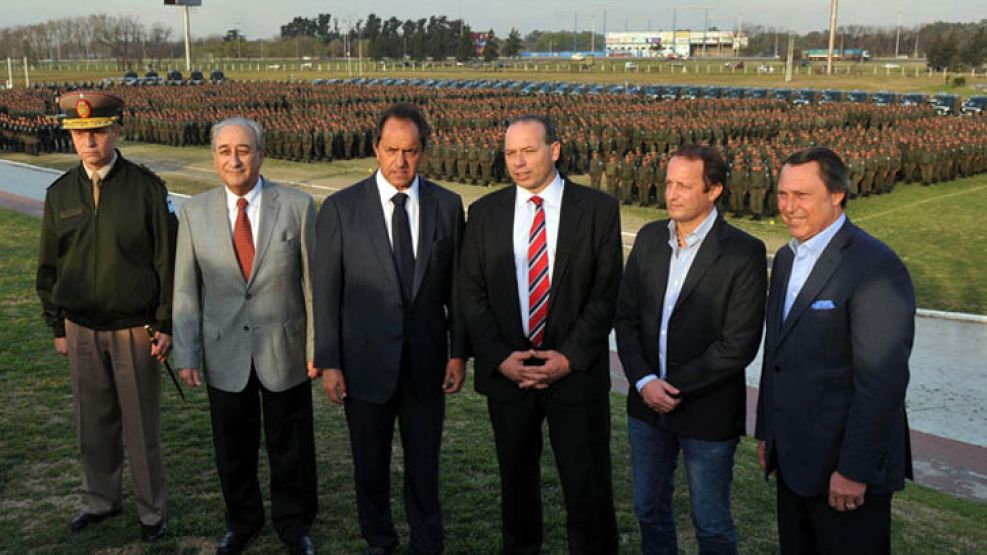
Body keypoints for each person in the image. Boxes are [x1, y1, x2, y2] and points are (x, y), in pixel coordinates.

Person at [459, 115, 622, 554]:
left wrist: (567, 358)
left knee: (587, 488)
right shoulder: (486, 212)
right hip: (509, 378)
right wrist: (499, 359)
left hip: (575, 377)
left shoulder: (598, 210)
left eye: (528, 151)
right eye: (510, 153)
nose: (518, 162)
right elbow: (471, 294)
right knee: (516, 486)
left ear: (555, 150)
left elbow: (604, 295)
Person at [311, 103, 468, 555]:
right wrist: (330, 362)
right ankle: (379, 539)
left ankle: (426, 542)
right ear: (375, 148)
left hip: (426, 366)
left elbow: (455, 290)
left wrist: (458, 352)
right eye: (392, 150)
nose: (401, 162)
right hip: (363, 366)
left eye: (412, 151)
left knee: (424, 466)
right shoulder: (341, 209)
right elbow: (327, 293)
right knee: (370, 466)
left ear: (425, 151)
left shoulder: (446, 205)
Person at [755, 147, 914, 554]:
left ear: (838, 194)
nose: (788, 207)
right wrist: (767, 435)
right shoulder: (789, 258)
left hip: (843, 475)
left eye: (802, 196)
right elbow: (778, 354)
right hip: (794, 462)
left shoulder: (875, 266)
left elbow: (881, 382)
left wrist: (854, 470)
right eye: (783, 194)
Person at [171, 117, 318, 555]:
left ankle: (294, 525)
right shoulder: (193, 212)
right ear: (214, 157)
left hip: (285, 348)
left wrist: (317, 349)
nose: (234, 160)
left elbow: (313, 285)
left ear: (261, 153)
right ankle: (243, 521)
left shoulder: (297, 206)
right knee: (233, 447)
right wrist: (187, 351)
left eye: (244, 149)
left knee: (290, 446)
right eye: (224, 151)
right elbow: (184, 288)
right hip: (225, 350)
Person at [36, 91, 174, 542]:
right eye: (79, 134)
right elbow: (49, 265)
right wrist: (57, 324)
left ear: (116, 130)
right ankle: (99, 500)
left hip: (135, 328)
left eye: (96, 131)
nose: (88, 142)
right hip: (80, 327)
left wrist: (166, 323)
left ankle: (152, 511)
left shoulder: (146, 189)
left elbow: (165, 263)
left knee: (140, 427)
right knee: (92, 423)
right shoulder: (60, 195)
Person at [615, 145, 767, 554]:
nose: (672, 193)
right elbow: (625, 318)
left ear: (714, 190)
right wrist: (646, 382)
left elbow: (739, 344)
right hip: (646, 407)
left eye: (684, 185)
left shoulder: (743, 252)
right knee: (648, 509)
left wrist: (672, 387)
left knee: (711, 522)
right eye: (669, 183)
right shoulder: (649, 238)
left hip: (707, 411)